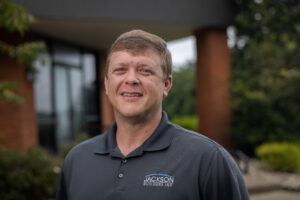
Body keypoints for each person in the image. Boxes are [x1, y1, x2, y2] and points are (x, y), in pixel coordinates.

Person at [56, 29, 250, 200]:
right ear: (107, 84)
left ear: (166, 84)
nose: (131, 79)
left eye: (145, 70)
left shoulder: (208, 160)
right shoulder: (77, 160)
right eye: (120, 69)